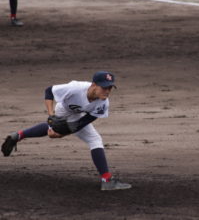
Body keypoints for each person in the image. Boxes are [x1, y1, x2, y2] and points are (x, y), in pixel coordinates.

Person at [1, 71, 132, 191]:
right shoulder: (75, 88)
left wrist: (63, 132)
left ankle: (18, 135)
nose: (107, 91)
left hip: (78, 116)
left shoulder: (103, 103)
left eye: (110, 88)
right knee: (91, 139)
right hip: (63, 110)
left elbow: (83, 122)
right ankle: (107, 180)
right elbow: (49, 91)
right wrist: (52, 116)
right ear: (93, 85)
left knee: (94, 139)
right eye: (104, 87)